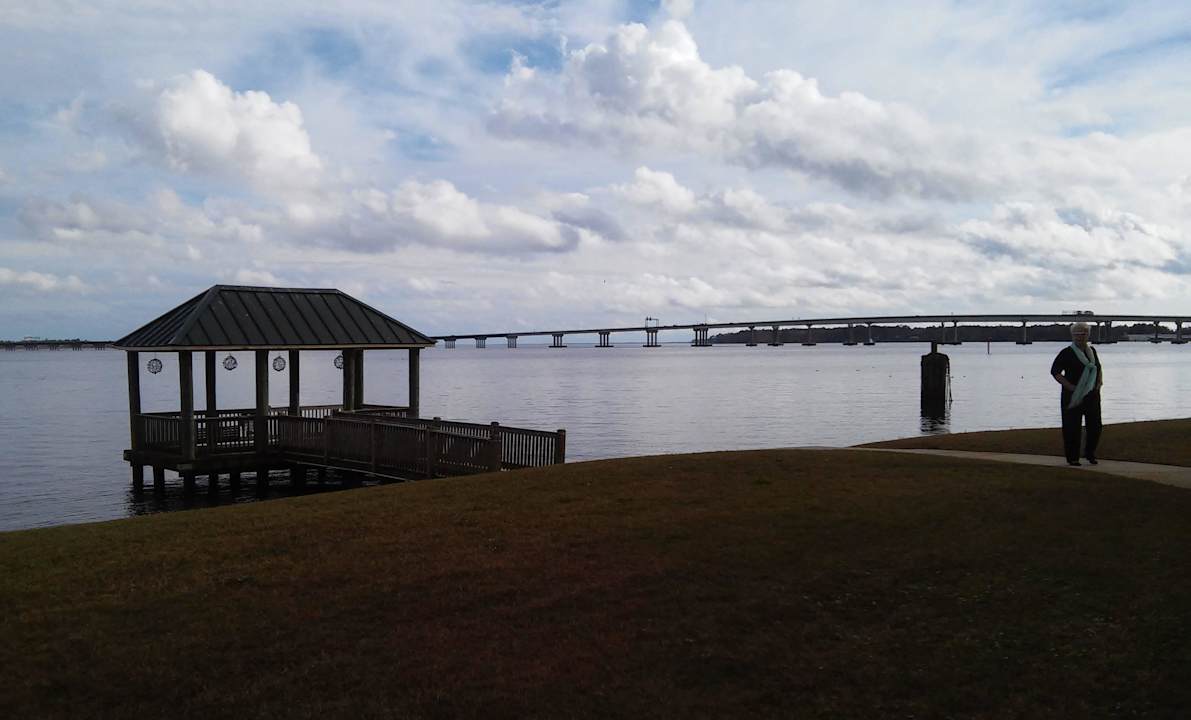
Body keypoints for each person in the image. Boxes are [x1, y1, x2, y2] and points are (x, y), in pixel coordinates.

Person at [1050, 322, 1103, 466]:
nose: (1080, 336)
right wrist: (1070, 386)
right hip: (1072, 396)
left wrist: (1099, 383)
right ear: (1072, 335)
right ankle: (1072, 457)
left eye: (1084, 333)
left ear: (1088, 335)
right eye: (1077, 334)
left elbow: (1097, 368)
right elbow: (1055, 371)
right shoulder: (1066, 352)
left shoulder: (1092, 351)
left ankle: (1090, 453)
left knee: (1095, 426)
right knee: (1072, 427)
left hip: (1092, 395)